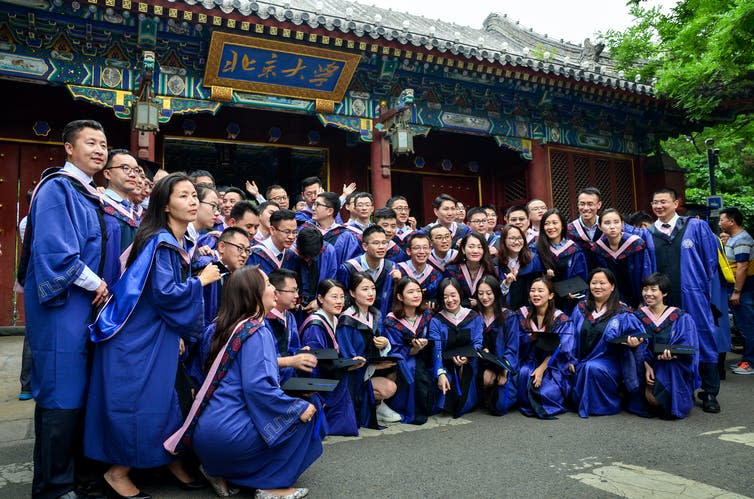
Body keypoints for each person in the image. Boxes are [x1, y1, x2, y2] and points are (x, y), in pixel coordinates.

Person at [85, 173, 222, 498]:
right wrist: (201, 281)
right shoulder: (161, 243)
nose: (193, 202)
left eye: (194, 196)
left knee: (167, 400)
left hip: (152, 335)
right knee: (142, 405)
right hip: (135, 341)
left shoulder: (168, 241)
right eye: (184, 196)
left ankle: (168, 460)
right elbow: (166, 295)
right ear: (165, 204)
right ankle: (117, 473)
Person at [23, 119, 110, 499]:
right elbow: (57, 252)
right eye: (90, 142)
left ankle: (71, 477)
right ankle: (53, 487)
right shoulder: (58, 188)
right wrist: (98, 282)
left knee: (75, 393)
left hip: (81, 306)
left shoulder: (88, 192)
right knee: (61, 392)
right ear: (69, 148)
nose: (99, 149)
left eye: (104, 144)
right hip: (62, 305)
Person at [186, 267, 321, 499]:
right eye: (268, 284)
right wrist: (297, 408)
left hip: (204, 434)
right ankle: (270, 485)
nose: (273, 290)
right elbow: (258, 388)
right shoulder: (256, 331)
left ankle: (218, 470)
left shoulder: (219, 326)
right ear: (253, 294)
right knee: (306, 416)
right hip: (229, 436)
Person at [648, 187, 724, 413]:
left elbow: (710, 260)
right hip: (662, 298)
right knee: (668, 340)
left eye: (663, 201)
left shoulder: (696, 227)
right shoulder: (649, 233)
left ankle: (710, 391)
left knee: (703, 337)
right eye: (655, 202)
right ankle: (682, 387)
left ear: (676, 203)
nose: (659, 206)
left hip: (692, 294)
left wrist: (698, 285)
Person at [568, 268, 645, 418]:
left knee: (592, 367)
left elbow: (640, 336)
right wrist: (570, 357)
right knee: (586, 366)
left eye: (602, 283)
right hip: (581, 360)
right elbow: (570, 335)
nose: (598, 286)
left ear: (612, 286)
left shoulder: (622, 311)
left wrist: (635, 344)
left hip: (611, 362)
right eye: (594, 283)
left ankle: (605, 405)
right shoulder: (580, 308)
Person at [630, 273, 699, 419]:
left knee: (670, 366)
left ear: (665, 292)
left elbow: (688, 344)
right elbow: (634, 347)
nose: (648, 294)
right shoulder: (636, 317)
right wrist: (646, 364)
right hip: (643, 362)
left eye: (653, 289)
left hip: (671, 362)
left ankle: (673, 405)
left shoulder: (680, 316)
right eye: (645, 289)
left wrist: (674, 353)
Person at [337, 272, 400, 426]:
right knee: (388, 387)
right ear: (352, 293)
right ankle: (370, 405)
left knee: (400, 367)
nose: (371, 293)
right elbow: (348, 360)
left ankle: (377, 405)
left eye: (372, 288)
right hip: (354, 376)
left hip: (370, 369)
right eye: (365, 289)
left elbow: (379, 344)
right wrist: (374, 365)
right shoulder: (347, 321)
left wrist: (385, 344)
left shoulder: (375, 315)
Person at [299, 279, 360, 436]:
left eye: (342, 296)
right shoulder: (315, 325)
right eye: (334, 297)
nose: (340, 301)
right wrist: (346, 364)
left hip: (332, 372)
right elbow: (316, 361)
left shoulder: (333, 319)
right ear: (320, 298)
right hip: (319, 378)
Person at [512, 278, 573, 419]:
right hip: (529, 359)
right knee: (524, 372)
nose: (536, 294)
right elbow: (514, 342)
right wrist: (529, 338)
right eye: (533, 291)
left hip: (553, 365)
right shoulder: (521, 315)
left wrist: (542, 368)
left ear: (551, 295)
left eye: (540, 291)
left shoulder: (561, 319)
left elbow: (562, 347)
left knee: (545, 394)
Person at [429, 278, 483, 418]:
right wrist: (440, 373)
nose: (450, 300)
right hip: (446, 362)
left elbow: (477, 342)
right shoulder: (436, 321)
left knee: (468, 375)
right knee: (444, 383)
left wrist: (467, 356)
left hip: (469, 361)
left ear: (460, 294)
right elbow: (437, 350)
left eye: (453, 295)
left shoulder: (473, 317)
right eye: (445, 296)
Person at [384, 276, 434, 424]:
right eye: (411, 292)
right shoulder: (391, 321)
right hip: (403, 359)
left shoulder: (427, 315)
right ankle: (408, 408)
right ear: (400, 296)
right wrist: (413, 350)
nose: (416, 295)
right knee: (411, 367)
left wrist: (425, 346)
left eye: (418, 291)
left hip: (424, 356)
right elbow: (394, 350)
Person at [592, 208, 655, 308]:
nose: (612, 227)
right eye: (607, 223)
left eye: (616, 222)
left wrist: (644, 300)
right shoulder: (598, 249)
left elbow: (646, 272)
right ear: (599, 226)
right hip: (614, 300)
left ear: (622, 224)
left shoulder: (636, 244)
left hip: (639, 296)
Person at [474, 275, 517, 416]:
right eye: (480, 293)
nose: (484, 297)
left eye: (489, 293)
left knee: (500, 408)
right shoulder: (474, 316)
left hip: (503, 363)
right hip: (482, 364)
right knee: (486, 377)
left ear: (496, 293)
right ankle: (483, 395)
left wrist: (505, 369)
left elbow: (512, 347)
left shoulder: (508, 316)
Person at [337, 225, 400, 319]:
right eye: (376, 243)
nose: (381, 247)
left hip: (383, 320)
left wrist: (398, 282)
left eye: (384, 243)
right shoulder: (349, 268)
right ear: (365, 246)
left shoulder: (391, 268)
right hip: (354, 320)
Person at [267, 269, 317, 385]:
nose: (297, 296)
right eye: (293, 291)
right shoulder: (263, 321)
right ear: (276, 293)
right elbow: (261, 361)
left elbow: (293, 347)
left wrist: (300, 353)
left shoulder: (289, 317)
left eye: (297, 290)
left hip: (290, 380)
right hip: (271, 383)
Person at [719, 207, 754, 375]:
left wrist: (737, 291)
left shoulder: (741, 239)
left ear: (731, 221)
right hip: (739, 289)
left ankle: (750, 362)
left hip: (744, 290)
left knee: (748, 326)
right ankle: (746, 360)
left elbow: (742, 267)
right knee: (742, 325)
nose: (719, 223)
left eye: (722, 220)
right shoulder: (734, 238)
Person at [100, 149, 141, 288]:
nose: (132, 174)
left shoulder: (134, 212)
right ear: (107, 173)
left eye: (136, 170)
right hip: (103, 286)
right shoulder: (99, 205)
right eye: (125, 168)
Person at [537, 208, 588, 313]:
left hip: (569, 302)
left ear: (563, 225)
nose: (551, 227)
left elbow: (581, 275)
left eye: (555, 223)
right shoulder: (536, 249)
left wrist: (574, 292)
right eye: (547, 224)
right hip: (544, 302)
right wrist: (545, 277)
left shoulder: (574, 249)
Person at [302, 191, 361, 264]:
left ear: (329, 211)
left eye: (317, 205)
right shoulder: (305, 228)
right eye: (314, 204)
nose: (313, 208)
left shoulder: (346, 236)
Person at [443, 232, 496, 307]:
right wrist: (468, 303)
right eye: (471, 247)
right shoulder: (452, 270)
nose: (475, 251)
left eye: (479, 247)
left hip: (484, 313)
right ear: (463, 249)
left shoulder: (489, 269)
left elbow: (496, 296)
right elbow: (445, 298)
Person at [496, 225, 543, 310]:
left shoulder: (533, 259)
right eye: (512, 238)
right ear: (503, 241)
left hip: (529, 309)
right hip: (505, 311)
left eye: (520, 238)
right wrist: (506, 283)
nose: (517, 242)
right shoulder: (496, 263)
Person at [396, 233, 443, 304]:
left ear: (430, 250)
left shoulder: (436, 275)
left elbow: (436, 300)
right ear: (408, 251)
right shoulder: (398, 270)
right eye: (417, 248)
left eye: (425, 248)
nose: (422, 251)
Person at [247, 209, 297, 274]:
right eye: (287, 232)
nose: (291, 237)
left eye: (294, 232)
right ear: (272, 230)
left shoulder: (291, 255)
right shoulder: (255, 255)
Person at [567, 187, 603, 271]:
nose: (586, 208)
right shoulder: (569, 230)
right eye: (582, 204)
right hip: (580, 276)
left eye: (590, 204)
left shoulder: (606, 227)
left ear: (599, 205)